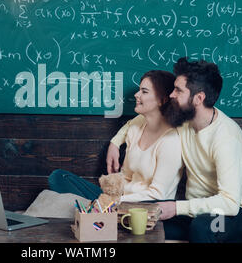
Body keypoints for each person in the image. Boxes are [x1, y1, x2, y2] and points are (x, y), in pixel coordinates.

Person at [108, 57, 242, 243]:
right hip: (192, 211)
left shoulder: (226, 137)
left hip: (228, 213)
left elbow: (230, 203)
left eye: (178, 90)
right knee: (135, 214)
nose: (171, 95)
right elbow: (143, 118)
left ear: (198, 98)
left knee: (202, 229)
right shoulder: (183, 119)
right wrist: (115, 141)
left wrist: (176, 208)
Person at [49, 70, 183, 203]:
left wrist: (114, 201)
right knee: (59, 177)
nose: (137, 95)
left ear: (162, 100)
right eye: (139, 90)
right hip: (120, 200)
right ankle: (98, 209)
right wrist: (114, 144)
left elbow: (158, 194)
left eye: (144, 91)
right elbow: (126, 177)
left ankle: (97, 209)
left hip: (147, 207)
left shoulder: (171, 141)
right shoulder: (136, 127)